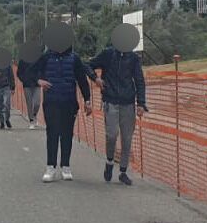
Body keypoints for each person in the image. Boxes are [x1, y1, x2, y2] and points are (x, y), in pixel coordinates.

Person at [90, 45, 148, 185]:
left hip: (128, 103)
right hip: (111, 101)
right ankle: (109, 162)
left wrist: (141, 103)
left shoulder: (133, 58)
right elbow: (88, 65)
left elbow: (139, 80)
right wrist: (95, 78)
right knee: (112, 134)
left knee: (127, 138)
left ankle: (123, 171)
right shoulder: (107, 54)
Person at [36, 47, 96, 182]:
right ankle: (50, 167)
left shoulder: (74, 58)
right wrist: (38, 80)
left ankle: (65, 166)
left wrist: (87, 100)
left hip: (69, 102)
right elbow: (31, 72)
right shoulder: (46, 57)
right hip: (51, 102)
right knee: (52, 133)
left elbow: (82, 80)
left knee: (67, 134)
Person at [16, 57, 43, 129]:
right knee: (29, 103)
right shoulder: (23, 60)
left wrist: (40, 78)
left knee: (37, 103)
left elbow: (42, 69)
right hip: (27, 85)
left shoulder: (38, 58)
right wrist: (24, 79)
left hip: (37, 84)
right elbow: (19, 72)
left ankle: (34, 115)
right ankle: (31, 121)